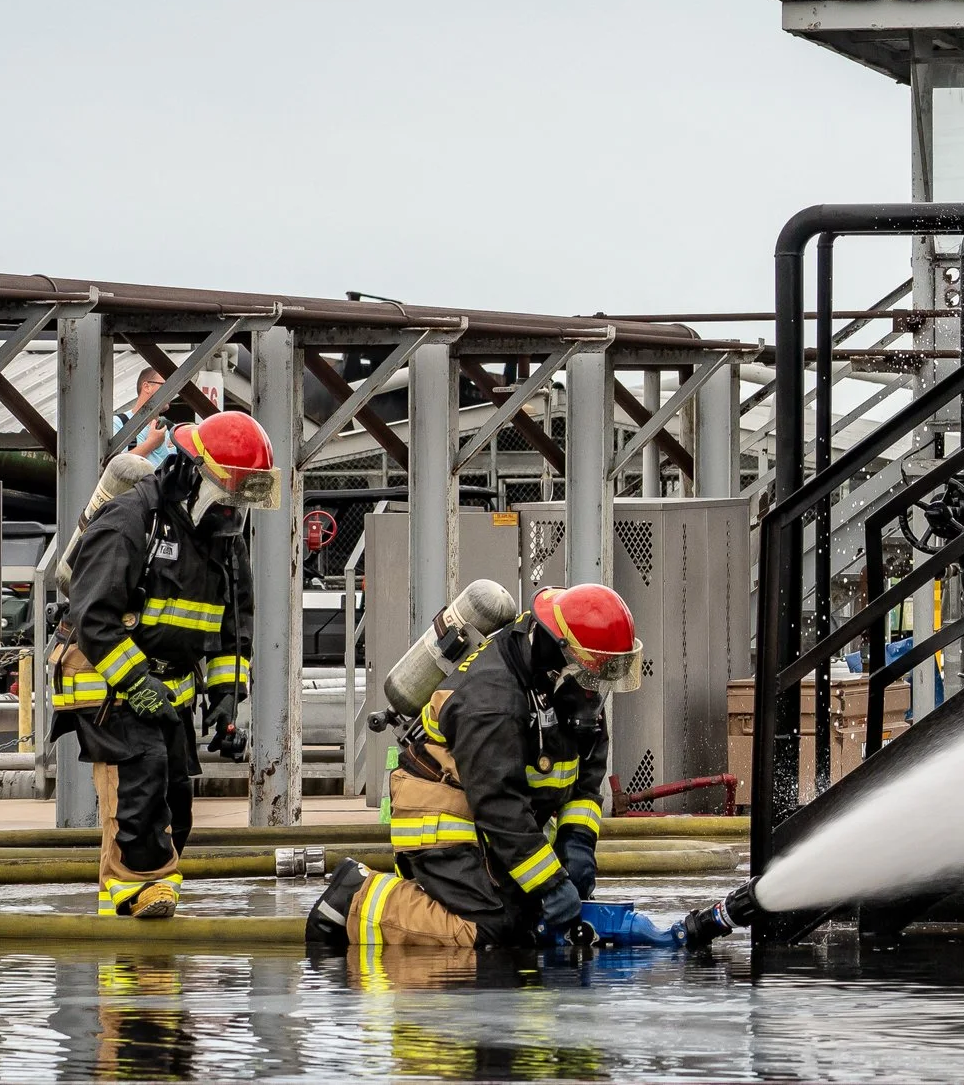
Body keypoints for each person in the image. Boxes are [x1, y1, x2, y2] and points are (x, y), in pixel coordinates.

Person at [306, 584, 640, 952]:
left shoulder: (574, 690)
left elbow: (586, 783)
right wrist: (550, 883)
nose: (597, 686)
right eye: (593, 671)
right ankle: (356, 896)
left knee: (530, 921)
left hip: (493, 817)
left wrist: (576, 844)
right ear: (559, 651)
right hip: (439, 816)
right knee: (493, 928)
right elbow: (498, 803)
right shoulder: (493, 700)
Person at [48, 408, 272, 918]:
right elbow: (94, 617)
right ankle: (137, 890)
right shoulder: (131, 521)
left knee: (175, 801)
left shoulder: (224, 539)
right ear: (193, 474)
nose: (232, 510)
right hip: (104, 676)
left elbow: (232, 630)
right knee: (141, 778)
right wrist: (135, 682)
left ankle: (125, 928)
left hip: (167, 686)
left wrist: (226, 698)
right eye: (227, 494)